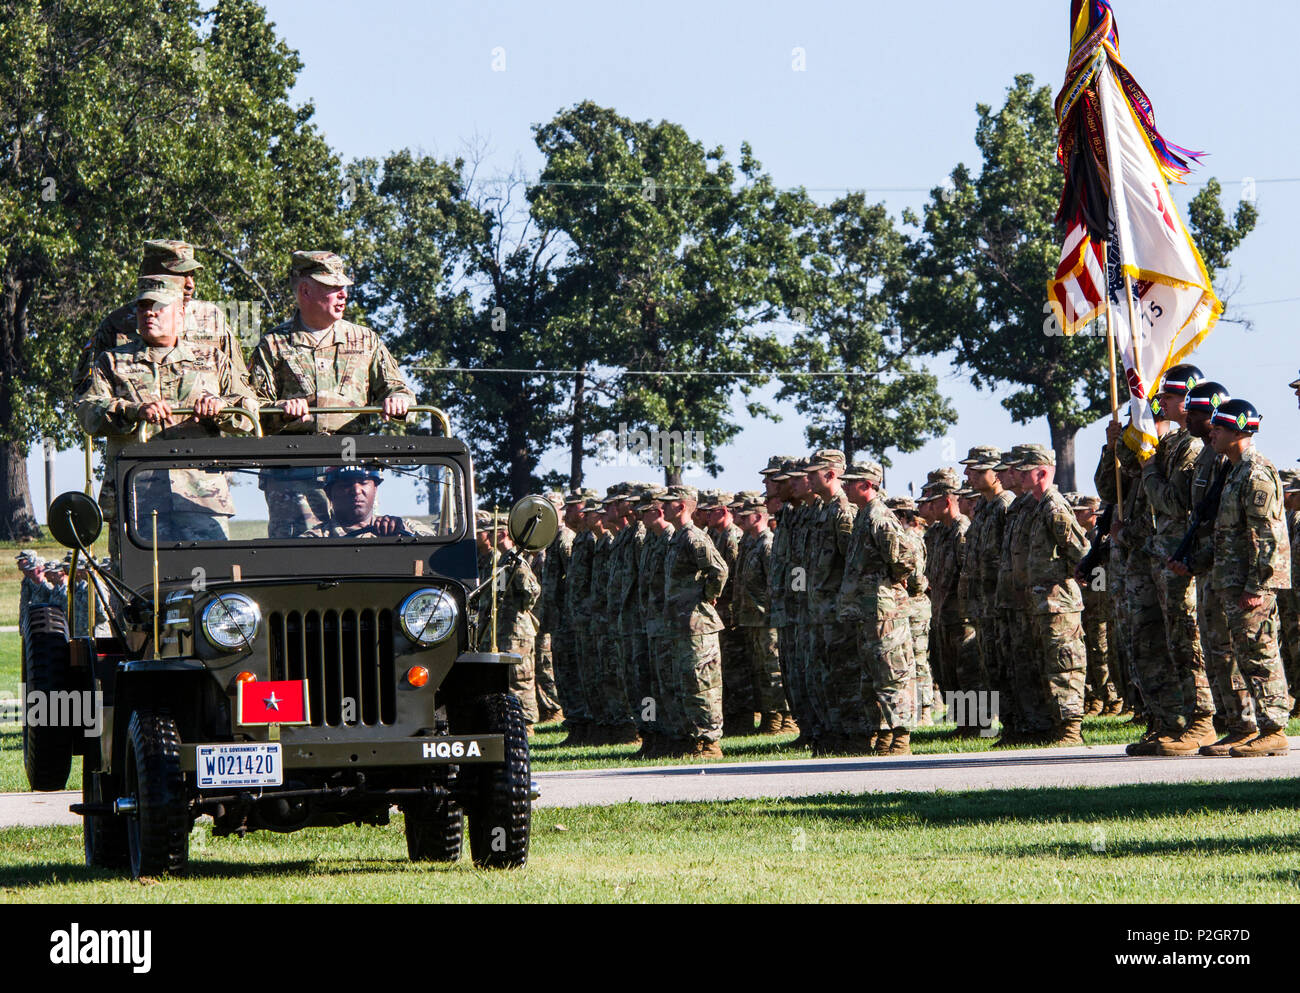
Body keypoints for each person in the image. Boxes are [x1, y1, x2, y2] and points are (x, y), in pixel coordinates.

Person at [74, 275, 259, 559]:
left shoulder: (213, 359)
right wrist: (131, 411)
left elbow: (249, 409)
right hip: (137, 498)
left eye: (158, 306)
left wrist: (220, 408)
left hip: (201, 498)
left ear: (180, 312)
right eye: (143, 306)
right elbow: (87, 412)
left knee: (210, 585)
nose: (149, 313)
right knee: (136, 588)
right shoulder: (112, 362)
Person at [250, 250, 415, 537]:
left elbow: (397, 388)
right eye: (333, 289)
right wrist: (282, 410)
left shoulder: (366, 341)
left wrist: (398, 399)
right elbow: (251, 411)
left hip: (352, 479)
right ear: (305, 291)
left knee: (358, 557)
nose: (343, 295)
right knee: (297, 563)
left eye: (344, 289)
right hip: (293, 480)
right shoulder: (273, 345)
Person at [1203, 398, 1292, 756]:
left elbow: (1268, 535)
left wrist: (1258, 585)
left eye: (1218, 429)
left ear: (1238, 432)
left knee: (1260, 653)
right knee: (1243, 655)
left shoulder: (1255, 472)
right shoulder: (1233, 470)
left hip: (1250, 585)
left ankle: (1275, 728)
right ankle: (1248, 727)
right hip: (1234, 582)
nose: (1212, 434)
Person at [1175, 382, 1256, 753]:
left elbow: (1237, 525)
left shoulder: (1229, 460)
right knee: (1214, 648)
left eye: (1196, 412)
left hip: (1229, 567)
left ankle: (1245, 723)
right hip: (1210, 565)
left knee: (1230, 648)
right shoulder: (1210, 454)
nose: (1188, 418)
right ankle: (1231, 722)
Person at [1140, 365, 1217, 755]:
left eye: (1168, 396)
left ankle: (1204, 720)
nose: (1161, 402)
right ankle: (1179, 718)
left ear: (1188, 400)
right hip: (1166, 554)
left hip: (1183, 555)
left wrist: (1148, 465)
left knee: (1189, 638)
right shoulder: (1172, 443)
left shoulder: (1191, 446)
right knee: (1173, 639)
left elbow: (1172, 501)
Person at [74, 239, 248, 393]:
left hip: (200, 427)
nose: (190, 284)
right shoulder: (117, 324)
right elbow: (87, 391)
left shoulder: (211, 318)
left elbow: (241, 384)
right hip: (139, 426)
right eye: (180, 275)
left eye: (192, 275)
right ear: (152, 275)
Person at [838, 460, 919, 755]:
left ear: (868, 484)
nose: (845, 485)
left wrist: (891, 583)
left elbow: (906, 557)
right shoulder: (863, 516)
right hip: (866, 610)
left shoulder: (879, 517)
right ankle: (884, 734)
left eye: (851, 481)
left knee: (892, 672)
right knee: (873, 676)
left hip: (884, 610)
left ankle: (901, 737)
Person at [1019, 446, 1090, 746]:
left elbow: (1081, 550)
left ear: (1042, 473)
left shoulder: (1054, 507)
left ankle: (1071, 730)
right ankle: (1058, 726)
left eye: (1025, 472)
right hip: (1044, 604)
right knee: (1049, 664)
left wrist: (1075, 573)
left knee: (1065, 663)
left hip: (1059, 603)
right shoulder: (1038, 506)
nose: (1020, 477)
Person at [660, 485, 730, 759]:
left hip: (698, 623)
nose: (662, 508)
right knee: (689, 682)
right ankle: (697, 740)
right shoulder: (678, 538)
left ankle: (710, 742)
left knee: (704, 683)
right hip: (682, 623)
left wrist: (708, 595)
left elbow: (719, 570)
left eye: (667, 503)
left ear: (680, 506)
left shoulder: (693, 537)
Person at [474, 510, 542, 731]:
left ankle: (527, 725)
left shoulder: (516, 560)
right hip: (503, 629)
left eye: (488, 532)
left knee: (520, 678)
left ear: (501, 534)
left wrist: (519, 610)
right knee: (507, 680)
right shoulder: (503, 560)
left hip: (516, 630)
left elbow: (531, 591)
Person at [734, 494, 789, 734]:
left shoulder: (768, 544)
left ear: (758, 517)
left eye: (746, 516)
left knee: (774, 669)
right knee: (762, 671)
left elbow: (776, 583)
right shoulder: (752, 543)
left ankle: (784, 718)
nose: (740, 519)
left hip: (767, 619)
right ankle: (770, 716)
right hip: (754, 619)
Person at [300, 466, 435, 538]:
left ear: (375, 488)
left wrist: (403, 534)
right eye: (346, 484)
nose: (357, 490)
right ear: (329, 493)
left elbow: (435, 545)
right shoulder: (315, 540)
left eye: (363, 482)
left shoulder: (401, 527)